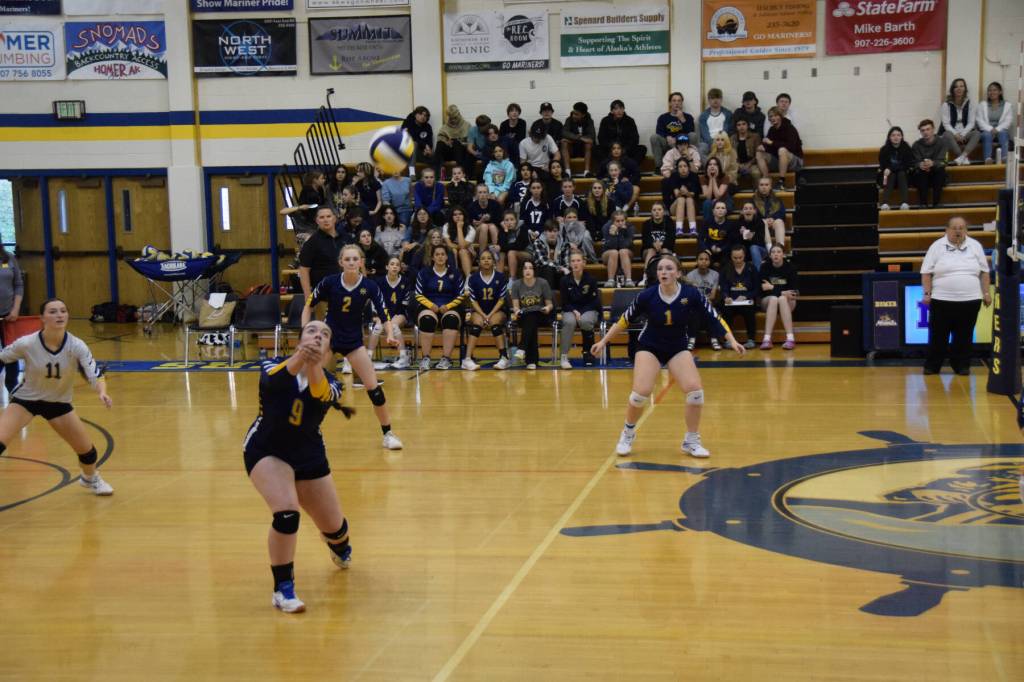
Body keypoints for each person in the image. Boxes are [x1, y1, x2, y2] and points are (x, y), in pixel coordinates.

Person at [242, 319, 351, 614]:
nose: (318, 336)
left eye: (325, 334)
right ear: (299, 339)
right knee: (287, 515)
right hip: (267, 450)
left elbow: (318, 394)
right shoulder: (272, 366)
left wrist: (312, 363)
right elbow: (275, 383)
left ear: (329, 350)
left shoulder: (333, 385)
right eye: (312, 331)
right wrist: (302, 356)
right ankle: (283, 589)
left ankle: (338, 544)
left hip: (308, 456)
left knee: (336, 530)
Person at [592, 253, 744, 458]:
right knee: (640, 393)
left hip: (677, 347)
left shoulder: (691, 294)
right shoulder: (648, 295)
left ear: (678, 273)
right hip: (650, 346)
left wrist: (732, 340)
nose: (664, 272)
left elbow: (713, 316)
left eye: (669, 268)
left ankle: (691, 440)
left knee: (695, 393)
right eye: (661, 269)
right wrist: (603, 341)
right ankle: (627, 434)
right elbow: (624, 320)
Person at [0, 297, 113, 495]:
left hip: (59, 403)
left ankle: (90, 478)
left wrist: (102, 392)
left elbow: (95, 374)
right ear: (42, 318)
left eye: (62, 310)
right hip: (26, 401)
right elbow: (2, 358)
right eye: (52, 311)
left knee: (87, 452)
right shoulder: (27, 343)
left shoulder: (76, 345)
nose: (59, 315)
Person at [302, 244, 404, 450]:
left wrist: (391, 335)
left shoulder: (370, 286)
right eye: (346, 259)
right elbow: (308, 306)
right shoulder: (329, 282)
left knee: (374, 390)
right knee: (310, 387)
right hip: (329, 340)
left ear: (361, 262)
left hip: (354, 342)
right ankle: (304, 433)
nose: (351, 262)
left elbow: (384, 315)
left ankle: (388, 434)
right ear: (340, 262)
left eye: (354, 259)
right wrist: (305, 333)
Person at [921, 216, 991, 375]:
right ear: (947, 230)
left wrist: (986, 293)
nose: (958, 231)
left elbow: (984, 272)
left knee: (964, 335)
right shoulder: (936, 246)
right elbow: (926, 273)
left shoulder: (975, 246)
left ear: (966, 230)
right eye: (954, 228)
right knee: (938, 335)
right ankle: (933, 365)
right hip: (941, 299)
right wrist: (927, 293)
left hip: (970, 299)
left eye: (962, 228)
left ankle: (961, 365)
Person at [414, 244, 466, 370]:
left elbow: (461, 295)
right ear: (432, 257)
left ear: (447, 257)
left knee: (451, 320)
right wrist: (431, 305)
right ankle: (425, 358)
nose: (440, 257)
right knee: (427, 320)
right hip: (429, 306)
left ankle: (446, 359)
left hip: (450, 307)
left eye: (443, 254)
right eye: (437, 254)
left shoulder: (455, 272)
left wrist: (448, 307)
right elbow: (418, 294)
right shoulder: (424, 272)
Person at [463, 249, 510, 371]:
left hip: (497, 310)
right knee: (477, 323)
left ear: (493, 262)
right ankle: (467, 359)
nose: (486, 261)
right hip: (479, 310)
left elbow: (501, 300)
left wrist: (490, 314)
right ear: (479, 262)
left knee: (495, 322)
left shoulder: (501, 277)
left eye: (489, 258)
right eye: (483, 258)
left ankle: (503, 358)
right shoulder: (473, 278)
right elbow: (473, 301)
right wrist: (484, 315)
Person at [510, 259, 554, 370]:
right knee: (530, 320)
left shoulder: (543, 283)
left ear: (534, 270)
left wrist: (547, 308)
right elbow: (515, 306)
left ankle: (523, 349)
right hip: (524, 316)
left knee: (532, 317)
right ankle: (532, 361)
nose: (528, 271)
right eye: (525, 268)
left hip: (541, 314)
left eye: (530, 268)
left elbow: (550, 304)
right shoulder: (516, 285)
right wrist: (516, 311)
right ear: (522, 271)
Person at [558, 251, 600, 368]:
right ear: (570, 264)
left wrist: (581, 312)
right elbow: (565, 303)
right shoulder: (564, 281)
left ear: (584, 263)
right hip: (570, 309)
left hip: (589, 309)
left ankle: (588, 353)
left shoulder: (591, 279)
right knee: (569, 321)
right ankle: (564, 357)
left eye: (578, 260)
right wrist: (574, 311)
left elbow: (594, 301)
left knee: (585, 321)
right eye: (573, 261)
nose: (575, 263)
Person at [298, 206, 346, 302]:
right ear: (317, 220)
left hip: (347, 293)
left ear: (334, 219)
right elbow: (303, 270)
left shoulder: (345, 238)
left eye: (328, 216)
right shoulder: (312, 243)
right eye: (322, 217)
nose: (325, 220)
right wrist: (308, 298)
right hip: (323, 297)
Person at [758, 244, 799, 350]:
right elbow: (762, 288)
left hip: (787, 302)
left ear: (783, 255)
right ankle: (766, 339)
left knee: (781, 299)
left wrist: (772, 287)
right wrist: (782, 292)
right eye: (773, 252)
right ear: (770, 255)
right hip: (768, 301)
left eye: (779, 252)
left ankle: (790, 339)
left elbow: (793, 293)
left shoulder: (791, 268)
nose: (776, 254)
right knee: (774, 298)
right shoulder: (765, 267)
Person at [280, 170, 327, 258]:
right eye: (322, 178)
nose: (324, 180)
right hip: (306, 224)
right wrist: (300, 207)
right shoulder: (307, 192)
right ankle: (299, 257)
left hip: (313, 223)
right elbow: (283, 211)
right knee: (309, 241)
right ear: (315, 180)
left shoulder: (320, 190)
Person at [375, 256, 412, 369]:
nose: (395, 267)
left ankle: (403, 357)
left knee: (394, 325)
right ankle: (368, 355)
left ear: (400, 268)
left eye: (397, 265)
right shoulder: (379, 282)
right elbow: (376, 302)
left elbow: (405, 304)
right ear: (387, 267)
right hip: (383, 314)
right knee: (376, 327)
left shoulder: (405, 281)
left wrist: (393, 317)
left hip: (400, 314)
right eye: (392, 264)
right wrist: (379, 317)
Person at [720, 244, 759, 348]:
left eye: (740, 257)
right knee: (725, 311)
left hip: (747, 301)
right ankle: (728, 340)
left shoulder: (751, 268)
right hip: (731, 302)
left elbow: (756, 289)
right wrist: (726, 297)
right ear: (731, 257)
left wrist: (746, 296)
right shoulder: (725, 269)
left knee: (750, 311)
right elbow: (723, 287)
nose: (738, 260)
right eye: (735, 258)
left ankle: (751, 339)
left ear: (744, 256)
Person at [756, 106, 804, 188]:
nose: (773, 118)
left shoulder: (790, 128)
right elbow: (770, 147)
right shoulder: (771, 130)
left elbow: (791, 147)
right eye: (771, 116)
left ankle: (782, 181)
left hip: (795, 161)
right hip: (779, 160)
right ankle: (767, 180)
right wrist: (763, 147)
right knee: (759, 153)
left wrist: (771, 143)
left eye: (775, 115)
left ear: (780, 116)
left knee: (782, 150)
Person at [685, 250, 722, 350]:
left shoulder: (715, 275)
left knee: (712, 311)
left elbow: (713, 295)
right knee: (695, 311)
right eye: (701, 259)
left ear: (710, 262)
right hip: (696, 305)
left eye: (706, 259)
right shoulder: (690, 276)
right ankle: (692, 339)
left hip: (709, 303)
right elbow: (691, 296)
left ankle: (714, 339)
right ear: (697, 261)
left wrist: (705, 301)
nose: (704, 261)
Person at [0, 245, 24, 394]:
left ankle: (12, 386)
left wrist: (15, 309)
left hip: (9, 316)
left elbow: (18, 284)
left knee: (11, 351)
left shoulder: (8, 258)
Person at [912, 119, 951, 208]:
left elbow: (944, 161)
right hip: (922, 175)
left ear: (933, 129)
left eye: (928, 129)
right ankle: (923, 204)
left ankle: (936, 203)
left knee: (940, 170)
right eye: (923, 130)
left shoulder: (943, 142)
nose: (925, 132)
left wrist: (933, 163)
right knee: (920, 172)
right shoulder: (916, 145)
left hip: (937, 173)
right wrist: (920, 165)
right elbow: (913, 162)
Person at [651, 91, 696, 169]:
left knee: (693, 135)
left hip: (683, 143)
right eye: (674, 101)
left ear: (682, 103)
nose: (677, 103)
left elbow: (691, 131)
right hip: (668, 143)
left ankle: (690, 164)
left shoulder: (688, 117)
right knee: (654, 137)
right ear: (670, 103)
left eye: (679, 101)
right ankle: (659, 167)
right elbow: (659, 131)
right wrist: (666, 137)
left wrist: (682, 119)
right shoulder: (663, 117)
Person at [940, 78, 979, 166]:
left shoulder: (970, 103)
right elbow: (946, 124)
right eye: (956, 87)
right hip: (952, 135)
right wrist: (956, 134)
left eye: (961, 86)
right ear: (952, 90)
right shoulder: (946, 104)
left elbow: (971, 122)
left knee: (977, 133)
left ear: (965, 89)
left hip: (965, 133)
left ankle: (963, 156)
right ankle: (961, 157)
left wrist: (963, 134)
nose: (959, 88)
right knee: (946, 134)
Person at [597, 99, 646, 166]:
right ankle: (608, 168)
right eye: (616, 109)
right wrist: (613, 148)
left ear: (623, 110)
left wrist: (624, 149)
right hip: (610, 150)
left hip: (625, 150)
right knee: (595, 149)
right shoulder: (605, 121)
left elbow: (635, 139)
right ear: (612, 111)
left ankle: (630, 168)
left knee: (642, 149)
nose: (619, 111)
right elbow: (601, 138)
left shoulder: (629, 121)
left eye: (621, 108)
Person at [877, 126, 914, 211]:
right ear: (889, 137)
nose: (896, 137)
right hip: (889, 179)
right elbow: (883, 165)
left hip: (903, 179)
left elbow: (907, 165)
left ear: (902, 137)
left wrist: (890, 168)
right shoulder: (884, 149)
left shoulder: (906, 148)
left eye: (898, 135)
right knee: (891, 174)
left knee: (901, 173)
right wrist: (888, 169)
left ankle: (904, 203)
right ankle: (885, 203)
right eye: (893, 135)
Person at [662, 156, 700, 237]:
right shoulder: (674, 176)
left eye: (685, 166)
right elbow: (677, 194)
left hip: (692, 206)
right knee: (681, 199)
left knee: (689, 199)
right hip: (676, 207)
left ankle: (693, 229)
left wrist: (687, 193)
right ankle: (679, 229)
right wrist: (684, 193)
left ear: (689, 167)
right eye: (680, 166)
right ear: (677, 168)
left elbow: (693, 194)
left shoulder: (694, 176)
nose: (683, 168)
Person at [977, 81, 1013, 164]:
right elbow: (979, 120)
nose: (992, 92)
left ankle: (1004, 158)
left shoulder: (1007, 105)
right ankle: (987, 159)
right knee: (986, 134)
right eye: (989, 90)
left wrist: (997, 129)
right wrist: (990, 129)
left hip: (1000, 131)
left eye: (995, 90)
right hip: (986, 131)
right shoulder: (982, 105)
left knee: (1003, 133)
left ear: (1000, 92)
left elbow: (1008, 121)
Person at [467, 182, 504, 257]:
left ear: (488, 194)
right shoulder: (472, 206)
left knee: (491, 226)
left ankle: (496, 256)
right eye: (480, 192)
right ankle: (482, 256)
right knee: (484, 226)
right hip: (478, 233)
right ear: (476, 195)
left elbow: (500, 221)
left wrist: (490, 219)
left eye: (485, 192)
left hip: (493, 232)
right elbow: (469, 224)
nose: (483, 195)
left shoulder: (495, 204)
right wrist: (478, 222)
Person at [699, 200, 738, 271]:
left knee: (728, 261)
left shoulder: (731, 225)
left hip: (724, 252)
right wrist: (707, 249)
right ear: (713, 211)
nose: (720, 210)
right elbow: (700, 239)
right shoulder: (706, 223)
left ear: (726, 211)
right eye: (718, 208)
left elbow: (731, 242)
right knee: (703, 259)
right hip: (709, 251)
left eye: (723, 208)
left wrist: (721, 249)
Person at [561, 101, 597, 177]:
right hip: (573, 148)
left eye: (576, 114)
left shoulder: (589, 121)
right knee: (564, 143)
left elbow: (591, 137)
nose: (574, 115)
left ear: (583, 115)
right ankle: (567, 172)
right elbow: (564, 133)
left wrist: (572, 138)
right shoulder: (569, 120)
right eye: (573, 113)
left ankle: (587, 172)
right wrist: (580, 138)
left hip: (584, 150)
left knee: (588, 144)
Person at [751, 176, 788, 250]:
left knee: (779, 221)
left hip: (773, 224)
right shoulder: (752, 200)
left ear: (770, 186)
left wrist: (773, 218)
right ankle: (770, 249)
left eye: (766, 185)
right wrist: (764, 220)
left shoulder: (777, 200)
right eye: (761, 185)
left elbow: (782, 213)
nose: (764, 187)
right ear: (758, 186)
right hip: (759, 226)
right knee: (763, 222)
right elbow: (751, 215)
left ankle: (779, 248)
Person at [529, 220, 567, 289]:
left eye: (555, 231)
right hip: (543, 274)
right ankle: (549, 297)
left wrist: (564, 269)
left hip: (558, 274)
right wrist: (560, 268)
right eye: (549, 231)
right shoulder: (538, 243)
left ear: (558, 232)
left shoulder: (564, 244)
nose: (552, 234)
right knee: (548, 269)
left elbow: (566, 263)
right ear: (545, 232)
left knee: (567, 274)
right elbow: (544, 262)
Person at [602, 210, 635, 287]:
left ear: (625, 220)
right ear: (613, 221)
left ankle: (629, 280)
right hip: (608, 253)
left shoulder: (630, 227)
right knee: (614, 252)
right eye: (617, 221)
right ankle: (610, 280)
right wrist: (613, 236)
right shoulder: (606, 227)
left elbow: (626, 245)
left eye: (622, 220)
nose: (620, 223)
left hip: (626, 253)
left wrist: (622, 232)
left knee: (622, 251)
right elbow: (609, 246)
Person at [441, 205, 475, 276]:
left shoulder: (470, 229)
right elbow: (449, 244)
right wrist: (459, 247)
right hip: (451, 254)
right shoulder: (446, 226)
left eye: (460, 214)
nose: (458, 216)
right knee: (454, 251)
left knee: (462, 251)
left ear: (464, 216)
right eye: (455, 215)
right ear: (451, 217)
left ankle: (468, 278)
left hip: (467, 254)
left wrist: (459, 228)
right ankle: (454, 275)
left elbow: (462, 246)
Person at [641, 201, 675, 273]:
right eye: (654, 210)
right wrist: (653, 244)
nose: (657, 212)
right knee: (651, 250)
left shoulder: (669, 222)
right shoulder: (646, 224)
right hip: (648, 251)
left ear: (663, 211)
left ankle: (666, 275)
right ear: (651, 212)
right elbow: (645, 241)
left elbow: (671, 240)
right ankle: (646, 276)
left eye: (659, 210)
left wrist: (661, 244)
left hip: (665, 249)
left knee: (665, 250)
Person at [698, 88, 732, 158]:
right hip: (708, 142)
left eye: (718, 98)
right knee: (701, 149)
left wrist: (720, 142)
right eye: (713, 98)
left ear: (721, 99)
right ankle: (709, 166)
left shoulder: (728, 114)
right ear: (709, 100)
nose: (715, 100)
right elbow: (705, 135)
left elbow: (727, 132)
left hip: (723, 140)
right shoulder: (703, 116)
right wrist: (714, 144)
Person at [435, 105, 470, 172]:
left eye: (455, 118)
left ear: (459, 115)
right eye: (451, 118)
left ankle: (461, 172)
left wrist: (460, 141)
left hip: (462, 153)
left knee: (456, 143)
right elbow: (440, 137)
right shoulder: (445, 127)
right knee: (440, 144)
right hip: (450, 153)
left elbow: (470, 142)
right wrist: (446, 141)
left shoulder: (466, 125)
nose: (453, 120)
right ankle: (437, 173)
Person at [736, 200, 769, 270]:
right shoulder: (737, 224)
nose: (748, 210)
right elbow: (736, 242)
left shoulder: (760, 222)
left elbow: (760, 241)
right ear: (742, 212)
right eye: (746, 209)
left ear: (754, 211)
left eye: (751, 208)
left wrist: (749, 236)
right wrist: (741, 235)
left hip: (760, 251)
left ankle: (758, 275)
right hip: (745, 252)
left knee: (753, 248)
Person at [499, 208, 531, 280]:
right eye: (506, 220)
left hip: (527, 253)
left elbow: (519, 246)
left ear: (516, 220)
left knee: (511, 252)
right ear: (503, 222)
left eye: (512, 219)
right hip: (511, 254)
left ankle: (512, 279)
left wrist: (503, 247)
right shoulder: (503, 229)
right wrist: (506, 231)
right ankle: (498, 279)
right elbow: (501, 245)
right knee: (500, 253)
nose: (509, 222)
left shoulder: (523, 227)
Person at [701, 156, 734, 224]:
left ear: (719, 167)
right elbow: (708, 197)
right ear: (707, 167)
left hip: (725, 201)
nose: (712, 166)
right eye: (710, 164)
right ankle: (708, 227)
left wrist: (714, 179)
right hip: (711, 203)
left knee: (717, 207)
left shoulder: (725, 177)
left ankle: (717, 228)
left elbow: (718, 196)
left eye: (715, 164)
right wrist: (711, 179)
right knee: (707, 203)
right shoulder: (703, 178)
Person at [731, 116, 762, 186]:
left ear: (747, 125)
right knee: (731, 174)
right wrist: (738, 165)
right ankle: (733, 193)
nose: (741, 127)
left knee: (756, 173)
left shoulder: (755, 137)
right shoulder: (733, 138)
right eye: (738, 125)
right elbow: (731, 155)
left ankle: (758, 192)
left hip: (752, 163)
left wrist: (749, 164)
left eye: (743, 124)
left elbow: (758, 154)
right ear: (736, 127)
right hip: (737, 164)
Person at [584, 179, 613, 244]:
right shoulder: (586, 203)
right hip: (591, 230)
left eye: (599, 188)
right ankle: (591, 254)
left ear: (603, 190)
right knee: (585, 236)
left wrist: (601, 234)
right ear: (591, 190)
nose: (597, 190)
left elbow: (610, 220)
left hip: (605, 229)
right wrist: (594, 234)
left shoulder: (610, 202)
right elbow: (588, 220)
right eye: (595, 188)